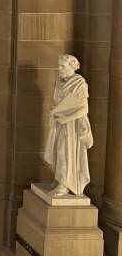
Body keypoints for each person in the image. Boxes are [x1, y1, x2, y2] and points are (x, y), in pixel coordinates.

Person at [44, 54, 93, 196]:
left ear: (72, 66)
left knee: (65, 153)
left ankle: (64, 184)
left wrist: (67, 118)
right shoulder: (60, 82)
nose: (59, 68)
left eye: (62, 66)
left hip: (72, 127)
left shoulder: (80, 84)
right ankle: (60, 178)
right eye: (59, 65)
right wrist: (55, 109)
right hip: (59, 122)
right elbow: (60, 102)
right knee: (58, 151)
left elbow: (84, 109)